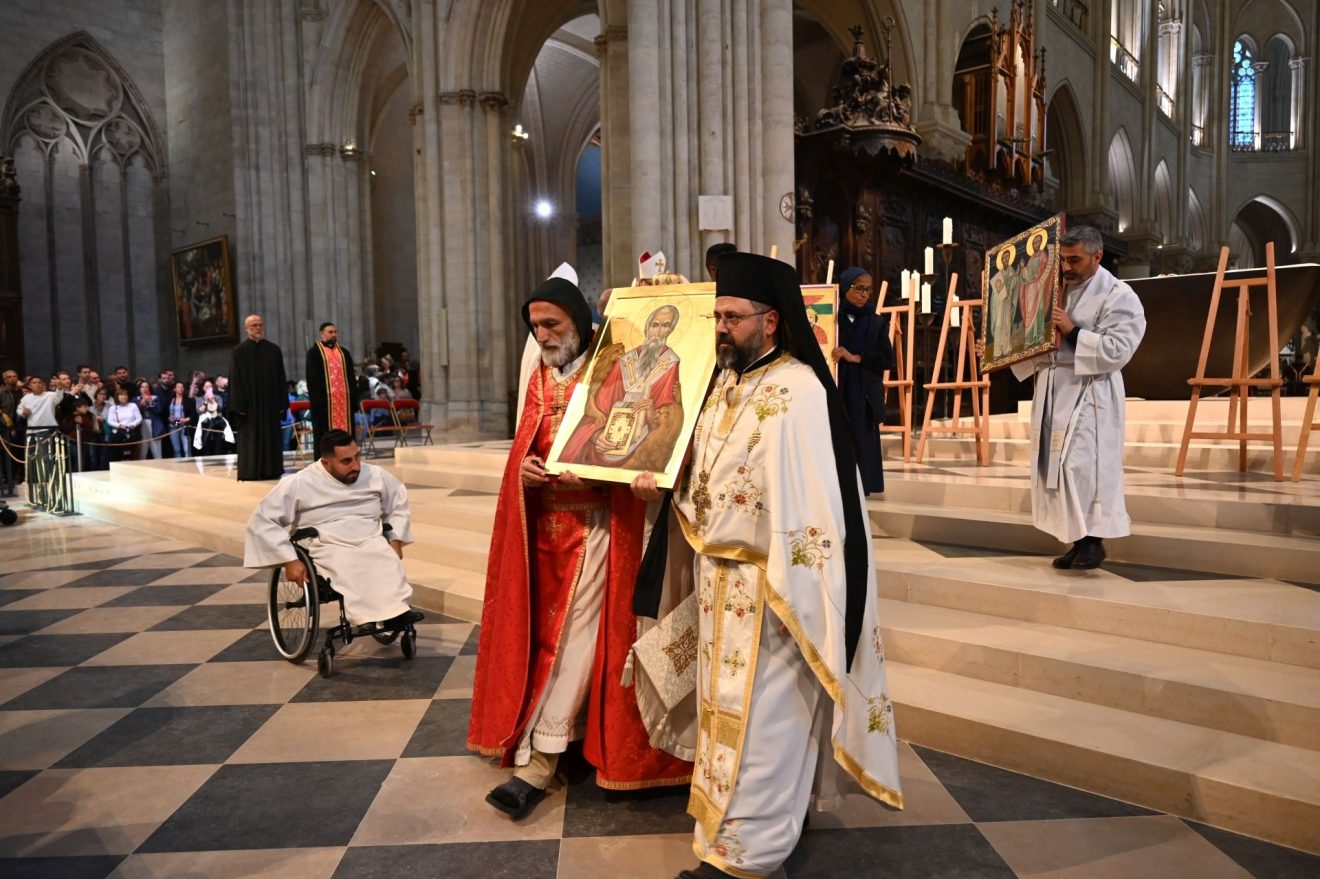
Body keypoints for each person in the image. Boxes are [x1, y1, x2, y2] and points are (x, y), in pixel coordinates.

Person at [632, 252, 902, 879]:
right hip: (718, 585)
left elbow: (817, 511)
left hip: (775, 594)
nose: (720, 327)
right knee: (726, 719)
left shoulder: (799, 393)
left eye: (732, 317)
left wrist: (796, 593)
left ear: (771, 320)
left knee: (763, 729)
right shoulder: (726, 383)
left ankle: (748, 860)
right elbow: (707, 474)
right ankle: (728, 840)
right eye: (717, 316)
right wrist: (664, 488)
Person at [468, 274, 692, 820]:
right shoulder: (539, 380)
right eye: (535, 326)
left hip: (598, 530)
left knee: (578, 640)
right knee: (543, 639)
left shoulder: (611, 370)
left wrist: (634, 470)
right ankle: (556, 740)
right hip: (542, 535)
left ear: (579, 323)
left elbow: (642, 431)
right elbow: (525, 444)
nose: (542, 335)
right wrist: (521, 471)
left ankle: (543, 760)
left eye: (552, 324)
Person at [1005, 225, 1147, 570]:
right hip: (1053, 387)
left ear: (1098, 256)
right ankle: (1078, 541)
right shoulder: (1053, 290)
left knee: (1079, 467)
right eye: (1063, 259)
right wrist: (1004, 351)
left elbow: (1118, 349)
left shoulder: (1119, 295)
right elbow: (1036, 339)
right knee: (1053, 469)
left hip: (1090, 391)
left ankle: (1094, 542)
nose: (1066, 267)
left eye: (1075, 260)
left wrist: (1073, 330)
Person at [243, 429, 422, 629]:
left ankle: (396, 612)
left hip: (370, 536)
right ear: (326, 463)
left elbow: (398, 503)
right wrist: (289, 560)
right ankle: (367, 616)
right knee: (348, 563)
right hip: (327, 543)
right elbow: (264, 520)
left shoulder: (375, 475)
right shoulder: (300, 482)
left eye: (357, 457)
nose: (356, 466)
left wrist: (395, 539)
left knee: (386, 560)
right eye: (346, 461)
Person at [558, 303, 684, 471]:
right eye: (655, 325)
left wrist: (651, 411)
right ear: (647, 327)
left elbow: (667, 417)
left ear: (671, 330)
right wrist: (597, 436)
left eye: (665, 326)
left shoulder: (671, 362)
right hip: (611, 432)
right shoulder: (624, 361)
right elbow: (600, 406)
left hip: (643, 435)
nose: (659, 331)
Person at [831, 267, 895, 495]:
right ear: (845, 288)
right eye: (859, 289)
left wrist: (856, 357)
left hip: (862, 390)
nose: (864, 295)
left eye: (868, 290)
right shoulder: (832, 317)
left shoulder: (876, 323)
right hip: (836, 387)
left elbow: (887, 359)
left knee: (861, 436)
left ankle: (862, 487)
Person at [229, 313, 289, 480]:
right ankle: (251, 471)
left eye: (260, 325)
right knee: (251, 439)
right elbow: (236, 380)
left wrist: (282, 403)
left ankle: (272, 470)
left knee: (271, 438)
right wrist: (239, 405)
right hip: (249, 406)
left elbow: (280, 378)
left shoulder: (273, 350)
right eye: (254, 325)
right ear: (246, 328)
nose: (257, 328)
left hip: (270, 405)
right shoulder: (238, 352)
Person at [305, 321, 359, 455]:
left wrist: (353, 401)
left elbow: (351, 378)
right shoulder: (314, 353)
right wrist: (319, 402)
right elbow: (313, 380)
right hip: (325, 406)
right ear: (322, 334)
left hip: (344, 405)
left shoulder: (344, 353)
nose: (334, 335)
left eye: (335, 332)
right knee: (325, 436)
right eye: (330, 332)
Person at [105, 386, 142, 463]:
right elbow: (110, 421)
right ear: (117, 397)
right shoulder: (113, 408)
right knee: (117, 455)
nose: (124, 397)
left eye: (125, 395)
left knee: (132, 454)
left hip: (131, 432)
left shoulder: (133, 405)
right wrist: (119, 425)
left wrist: (133, 424)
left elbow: (139, 418)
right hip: (118, 434)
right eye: (121, 395)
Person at [135, 379, 165, 460]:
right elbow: (134, 412)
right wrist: (142, 403)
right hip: (141, 424)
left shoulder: (155, 398)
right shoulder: (135, 399)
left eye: (146, 387)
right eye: (142, 387)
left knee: (156, 448)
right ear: (139, 389)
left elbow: (158, 411)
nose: (144, 388)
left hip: (154, 423)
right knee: (142, 447)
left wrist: (150, 402)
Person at [166, 381, 195, 459]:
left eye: (182, 387)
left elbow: (193, 414)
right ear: (174, 389)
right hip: (173, 426)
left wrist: (185, 419)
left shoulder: (189, 400)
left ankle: (189, 465)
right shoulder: (170, 400)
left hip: (184, 426)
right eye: (178, 387)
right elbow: (165, 413)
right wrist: (169, 418)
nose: (180, 389)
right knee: (176, 449)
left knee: (186, 448)